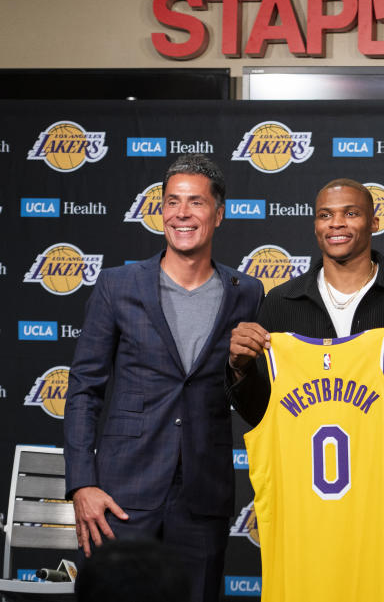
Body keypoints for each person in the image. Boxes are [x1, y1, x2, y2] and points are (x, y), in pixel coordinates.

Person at [227, 178, 384, 602]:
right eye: (325, 215)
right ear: (314, 225)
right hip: (305, 516)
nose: (336, 223)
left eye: (350, 213)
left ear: (374, 222)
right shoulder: (281, 303)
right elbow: (260, 413)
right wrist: (238, 369)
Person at [63, 154, 263, 602]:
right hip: (120, 493)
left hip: (203, 494)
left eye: (195, 202)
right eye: (172, 202)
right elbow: (83, 389)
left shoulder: (246, 292)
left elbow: (251, 395)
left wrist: (240, 368)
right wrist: (82, 483)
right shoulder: (118, 285)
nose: (182, 213)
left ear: (219, 212)